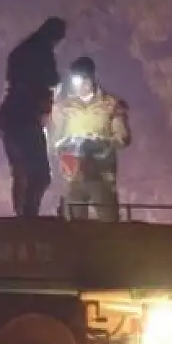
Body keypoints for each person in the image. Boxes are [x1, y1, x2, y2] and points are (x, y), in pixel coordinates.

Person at [0, 16, 67, 218]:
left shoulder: (19, 52)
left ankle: (21, 216)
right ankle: (29, 217)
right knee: (41, 174)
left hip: (7, 116)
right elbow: (52, 79)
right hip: (25, 117)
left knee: (19, 171)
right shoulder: (44, 52)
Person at [49, 56, 131, 221]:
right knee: (74, 229)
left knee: (109, 225)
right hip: (73, 177)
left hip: (102, 175)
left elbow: (123, 138)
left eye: (82, 80)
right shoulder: (64, 107)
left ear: (91, 78)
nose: (79, 85)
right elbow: (52, 141)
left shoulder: (111, 105)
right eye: (75, 81)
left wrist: (100, 143)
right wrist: (66, 144)